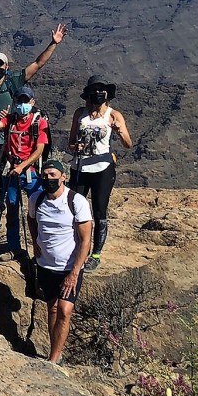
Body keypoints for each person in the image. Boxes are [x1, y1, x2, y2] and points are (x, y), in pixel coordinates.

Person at [0, 24, 67, 227]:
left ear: (6, 67)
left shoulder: (12, 82)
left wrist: (53, 43)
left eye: (1, 64)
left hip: (5, 136)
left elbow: (38, 64)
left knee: (1, 174)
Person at [26, 159, 93, 364]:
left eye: (53, 175)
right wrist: (35, 241)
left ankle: (53, 360)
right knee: (53, 308)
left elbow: (85, 240)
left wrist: (75, 272)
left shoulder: (76, 202)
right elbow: (31, 219)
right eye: (45, 175)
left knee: (65, 310)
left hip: (69, 267)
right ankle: (56, 351)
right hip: (46, 265)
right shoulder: (36, 199)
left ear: (63, 177)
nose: (48, 179)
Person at [67, 76, 133, 272]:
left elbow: (128, 144)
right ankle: (77, 248)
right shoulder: (80, 113)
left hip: (102, 169)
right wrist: (75, 147)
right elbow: (70, 142)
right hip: (79, 167)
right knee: (74, 209)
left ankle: (95, 254)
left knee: (99, 211)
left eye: (100, 90)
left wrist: (119, 131)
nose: (97, 94)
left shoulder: (114, 115)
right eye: (93, 90)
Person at [0, 86, 50, 260]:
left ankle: (42, 248)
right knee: (12, 207)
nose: (22, 104)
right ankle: (13, 247)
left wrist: (22, 166)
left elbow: (39, 150)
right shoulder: (10, 120)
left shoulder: (39, 122)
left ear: (32, 102)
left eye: (26, 101)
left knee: (39, 209)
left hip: (30, 172)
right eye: (19, 101)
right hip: (12, 170)